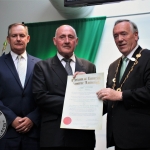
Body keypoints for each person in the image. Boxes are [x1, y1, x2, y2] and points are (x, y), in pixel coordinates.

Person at [33, 25, 96, 150]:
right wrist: (74, 103)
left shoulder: (89, 67)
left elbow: (95, 99)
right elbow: (40, 97)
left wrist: (86, 85)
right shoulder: (41, 67)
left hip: (82, 136)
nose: (67, 41)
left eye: (70, 37)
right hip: (54, 136)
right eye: (62, 37)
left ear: (76, 41)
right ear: (54, 41)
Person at [97, 19, 150, 150]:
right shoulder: (113, 66)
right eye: (115, 36)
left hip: (142, 138)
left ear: (136, 35)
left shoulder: (148, 57)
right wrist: (83, 84)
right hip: (119, 138)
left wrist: (120, 95)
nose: (119, 39)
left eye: (124, 34)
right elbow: (109, 100)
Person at [0, 23, 40, 150]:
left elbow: (46, 96)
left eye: (22, 35)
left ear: (28, 38)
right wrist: (11, 118)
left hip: (34, 135)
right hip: (6, 133)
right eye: (14, 35)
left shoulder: (41, 65)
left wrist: (32, 118)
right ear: (8, 39)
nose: (18, 39)